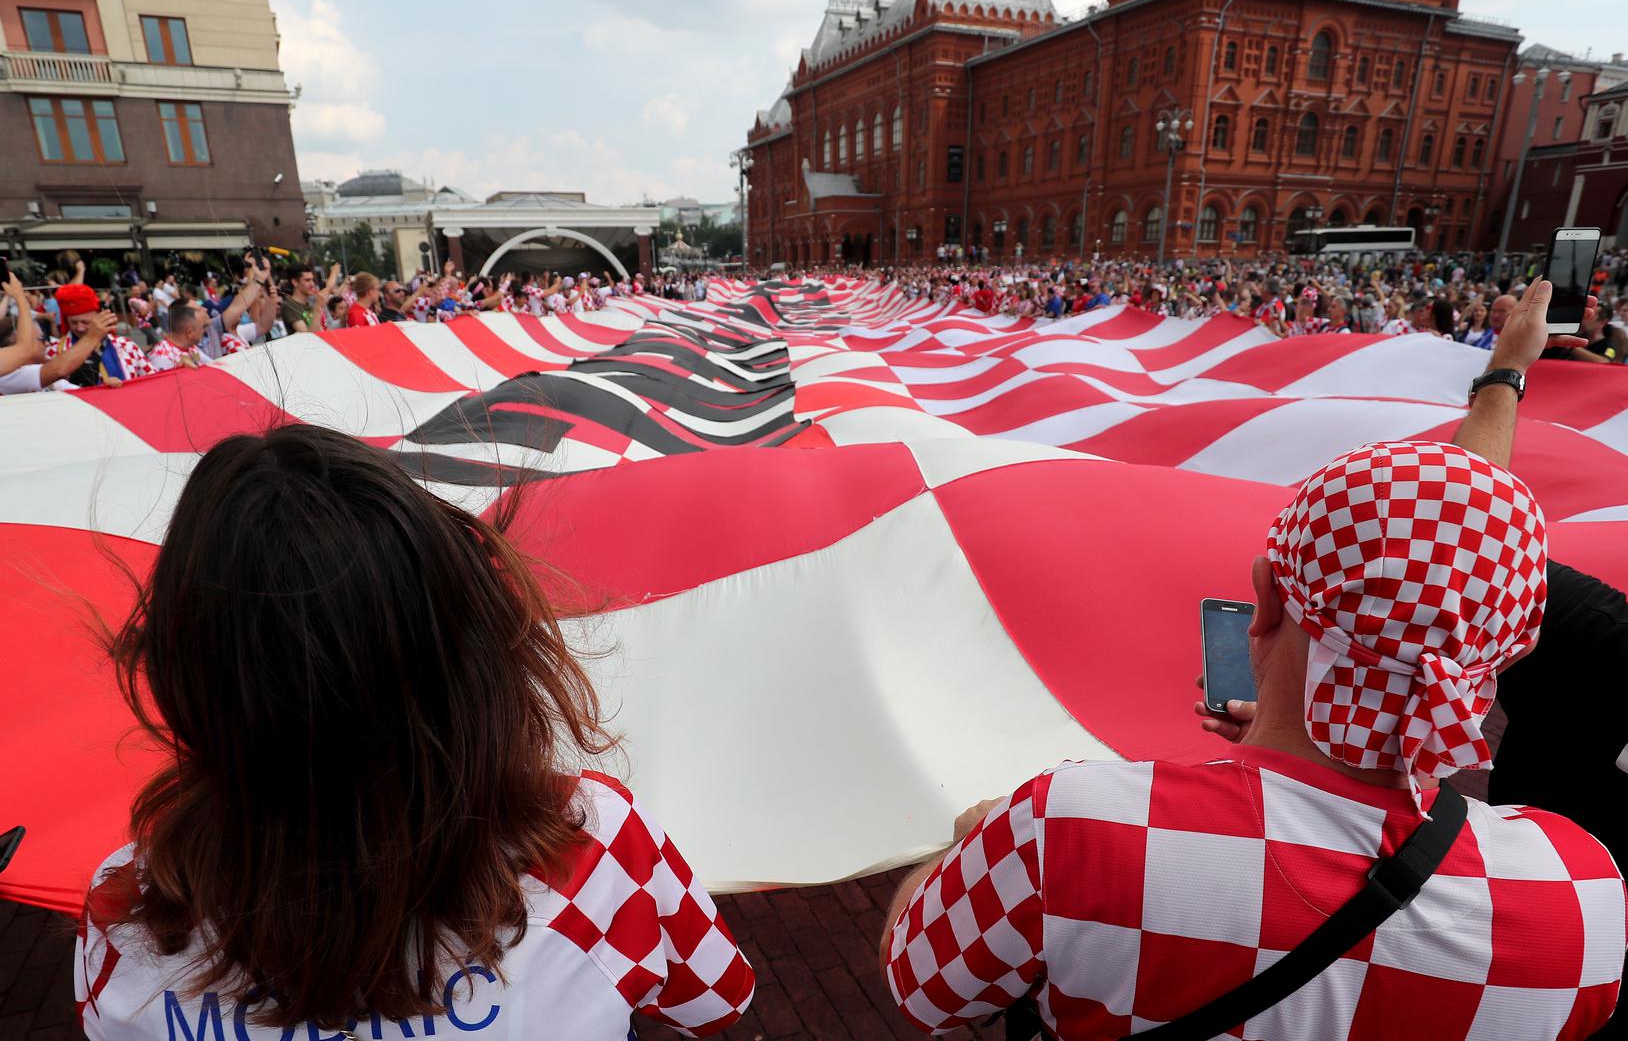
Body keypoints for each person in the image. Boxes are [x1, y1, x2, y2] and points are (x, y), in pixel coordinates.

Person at [880, 281, 1624, 1041]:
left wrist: (969, 847)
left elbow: (922, 989)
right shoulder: (1581, 900)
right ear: (1516, 647)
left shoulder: (1067, 830)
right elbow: (1453, 552)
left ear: (1265, 600)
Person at [76, 425, 755, 1039]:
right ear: (470, 657)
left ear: (189, 679)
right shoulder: (594, 844)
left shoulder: (124, 915)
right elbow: (718, 1001)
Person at [0, 269, 117, 394]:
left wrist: (104, 391)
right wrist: (19, 296)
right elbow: (55, 367)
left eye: (85, 322)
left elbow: (80, 392)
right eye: (42, 339)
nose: (46, 343)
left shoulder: (31, 372)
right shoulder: (7, 375)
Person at [43, 283, 152, 387]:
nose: (79, 328)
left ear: (101, 317)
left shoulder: (127, 346)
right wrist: (99, 391)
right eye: (74, 322)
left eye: (85, 322)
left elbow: (151, 380)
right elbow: (50, 389)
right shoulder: (54, 351)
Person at [146, 303, 212, 371]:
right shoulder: (162, 358)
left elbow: (210, 363)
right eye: (202, 327)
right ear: (189, 333)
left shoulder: (191, 346)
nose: (203, 331)